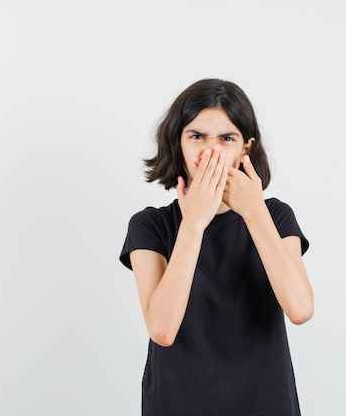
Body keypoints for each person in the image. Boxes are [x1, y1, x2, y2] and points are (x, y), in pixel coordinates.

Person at [119, 78, 313, 416]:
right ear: (178, 144)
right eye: (196, 136)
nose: (211, 150)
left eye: (227, 138)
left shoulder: (276, 217)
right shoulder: (150, 226)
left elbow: (300, 309)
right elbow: (162, 330)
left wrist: (254, 211)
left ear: (246, 148)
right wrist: (193, 223)